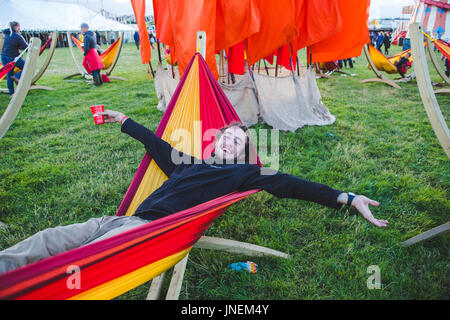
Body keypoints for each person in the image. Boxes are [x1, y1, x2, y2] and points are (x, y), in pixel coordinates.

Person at [0, 110, 388, 273]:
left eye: (238, 143)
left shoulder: (244, 173)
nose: (230, 145)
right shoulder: (188, 163)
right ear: (214, 142)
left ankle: (34, 287)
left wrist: (348, 198)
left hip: (148, 233)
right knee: (51, 238)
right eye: (226, 138)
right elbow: (157, 146)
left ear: (244, 153)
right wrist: (125, 120)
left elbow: (291, 186)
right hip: (119, 220)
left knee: (81, 261)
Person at [1, 21, 28, 96]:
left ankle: (11, 93)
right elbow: (26, 48)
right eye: (19, 26)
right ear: (15, 27)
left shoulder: (6, 34)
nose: (20, 28)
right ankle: (16, 77)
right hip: (12, 57)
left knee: (9, 74)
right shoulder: (17, 36)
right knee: (27, 67)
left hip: (3, 57)